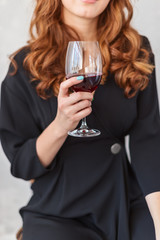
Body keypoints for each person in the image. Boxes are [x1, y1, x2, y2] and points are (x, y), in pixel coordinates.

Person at [1, 0, 160, 239]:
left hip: (125, 200)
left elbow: (148, 140)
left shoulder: (135, 51)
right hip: (59, 212)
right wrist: (60, 126)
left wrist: (158, 221)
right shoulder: (24, 67)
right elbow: (23, 166)